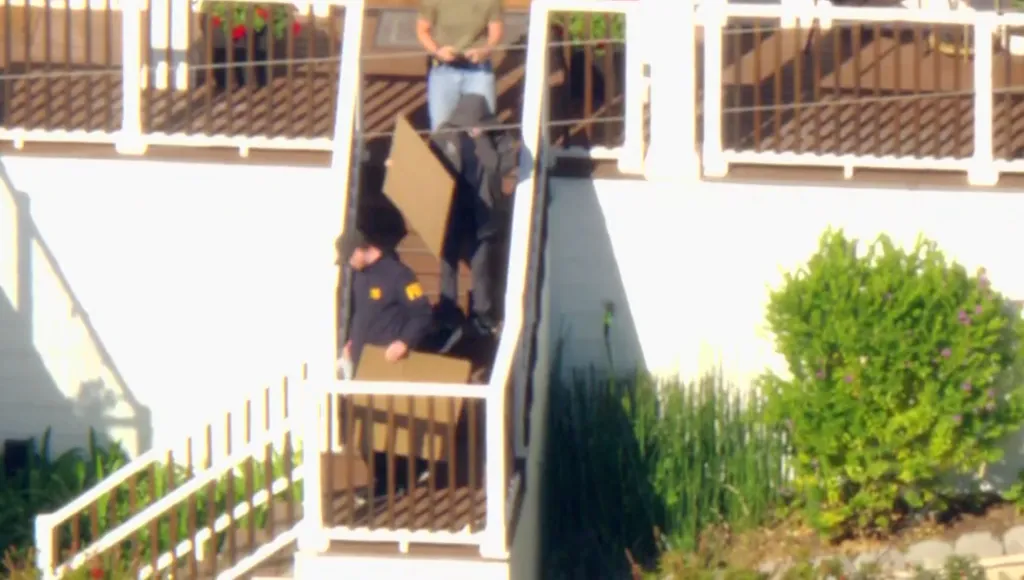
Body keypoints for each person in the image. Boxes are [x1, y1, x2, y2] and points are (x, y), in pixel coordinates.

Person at [430, 93, 519, 352]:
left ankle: (481, 314)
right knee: (447, 261)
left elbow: (495, 167)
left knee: (480, 265)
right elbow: (431, 161)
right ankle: (448, 310)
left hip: (482, 209)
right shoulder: (445, 135)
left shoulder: (499, 138)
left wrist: (482, 139)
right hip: (452, 206)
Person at [336, 228, 433, 377]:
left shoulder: (398, 274)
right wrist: (350, 342)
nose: (350, 264)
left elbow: (422, 313)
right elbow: (359, 314)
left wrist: (404, 342)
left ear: (359, 250)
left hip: (386, 365)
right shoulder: (358, 276)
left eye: (349, 258)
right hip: (359, 367)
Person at [415, 0, 503, 131]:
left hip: (478, 70)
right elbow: (422, 31)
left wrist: (484, 51)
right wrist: (438, 51)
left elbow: (495, 32)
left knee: (482, 127)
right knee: (441, 128)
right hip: (443, 70)